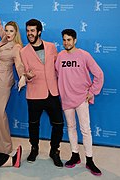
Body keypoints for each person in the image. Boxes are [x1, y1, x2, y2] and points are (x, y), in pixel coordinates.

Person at [55, 29, 104, 176]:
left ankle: (89, 160)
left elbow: (99, 74)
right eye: (64, 40)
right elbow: (57, 74)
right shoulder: (60, 56)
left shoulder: (84, 55)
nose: (66, 43)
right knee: (71, 127)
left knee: (85, 130)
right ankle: (75, 155)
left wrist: (92, 92)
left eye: (69, 40)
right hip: (66, 98)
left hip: (82, 98)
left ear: (75, 40)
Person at [20, 19, 64, 167]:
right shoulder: (23, 51)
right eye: (27, 31)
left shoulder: (51, 47)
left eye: (32, 30)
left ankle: (54, 150)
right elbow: (25, 72)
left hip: (52, 92)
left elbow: (58, 67)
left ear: (39, 31)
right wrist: (28, 76)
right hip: (34, 93)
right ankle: (34, 148)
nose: (29, 33)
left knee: (58, 124)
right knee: (33, 124)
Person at [0, 5, 26, 154]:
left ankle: (4, 146)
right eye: (7, 30)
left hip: (4, 82)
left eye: (11, 31)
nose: (8, 33)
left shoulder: (16, 47)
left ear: (16, 32)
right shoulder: (4, 39)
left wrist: (22, 76)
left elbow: (19, 64)